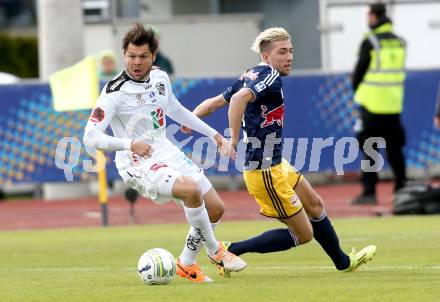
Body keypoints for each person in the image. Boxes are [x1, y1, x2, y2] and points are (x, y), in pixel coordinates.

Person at [182, 27, 376, 276]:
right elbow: (239, 100)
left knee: (315, 204)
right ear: (266, 57)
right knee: (303, 234)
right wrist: (232, 137)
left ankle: (343, 262)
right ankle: (229, 249)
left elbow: (215, 103)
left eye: (291, 51)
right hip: (263, 170)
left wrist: (191, 119)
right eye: (282, 52)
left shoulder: (251, 74)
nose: (289, 57)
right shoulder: (269, 75)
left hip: (276, 163)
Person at [83, 23, 246, 283]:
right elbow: (90, 137)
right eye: (131, 56)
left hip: (165, 149)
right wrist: (129, 144)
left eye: (143, 56)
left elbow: (176, 110)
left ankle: (187, 263)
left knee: (215, 208)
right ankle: (216, 250)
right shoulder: (113, 92)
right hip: (137, 161)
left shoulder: (160, 77)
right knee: (191, 190)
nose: (136, 62)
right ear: (124, 54)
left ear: (153, 56)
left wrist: (213, 135)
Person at [350, 2, 407, 205]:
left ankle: (369, 192)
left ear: (374, 16)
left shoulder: (371, 41)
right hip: (393, 105)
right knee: (395, 151)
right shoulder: (400, 42)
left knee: (371, 149)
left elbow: (359, 73)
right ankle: (402, 190)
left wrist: (358, 92)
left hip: (371, 106)